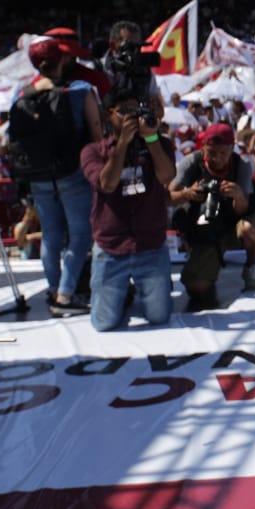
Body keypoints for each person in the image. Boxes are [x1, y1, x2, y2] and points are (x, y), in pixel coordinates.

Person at [20, 38, 105, 317]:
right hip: (73, 171)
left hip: (38, 175)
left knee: (50, 236)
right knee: (79, 236)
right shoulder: (81, 90)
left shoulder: (22, 95)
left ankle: (54, 289)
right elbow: (97, 134)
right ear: (63, 60)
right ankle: (65, 296)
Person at [79, 87, 176, 331]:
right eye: (124, 112)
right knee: (103, 323)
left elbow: (166, 176)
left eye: (135, 111)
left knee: (159, 317)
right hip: (111, 246)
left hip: (150, 245)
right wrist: (122, 144)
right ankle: (123, 294)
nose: (130, 118)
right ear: (107, 116)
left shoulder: (159, 143)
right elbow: (107, 184)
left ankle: (132, 292)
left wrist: (151, 138)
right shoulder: (93, 151)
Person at [169, 123, 255, 310]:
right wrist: (187, 194)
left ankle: (251, 267)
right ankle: (206, 263)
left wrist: (237, 194)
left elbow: (243, 210)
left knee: (251, 228)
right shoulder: (191, 162)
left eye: (223, 153)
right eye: (212, 153)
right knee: (197, 288)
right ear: (203, 147)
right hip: (204, 228)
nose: (217, 159)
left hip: (234, 222)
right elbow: (169, 197)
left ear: (232, 149)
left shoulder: (242, 166)